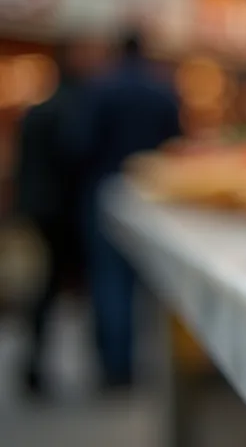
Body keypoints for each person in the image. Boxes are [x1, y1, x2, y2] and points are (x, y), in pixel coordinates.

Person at [69, 31, 182, 388]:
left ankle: (115, 367)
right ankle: (143, 361)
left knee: (109, 280)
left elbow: (80, 143)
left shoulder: (100, 88)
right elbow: (175, 143)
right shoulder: (162, 89)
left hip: (107, 188)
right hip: (151, 193)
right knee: (146, 280)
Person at [14, 45, 87, 396]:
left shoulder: (35, 112)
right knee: (52, 287)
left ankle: (33, 365)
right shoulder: (69, 112)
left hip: (35, 208)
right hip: (60, 210)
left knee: (43, 286)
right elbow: (73, 160)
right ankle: (37, 366)